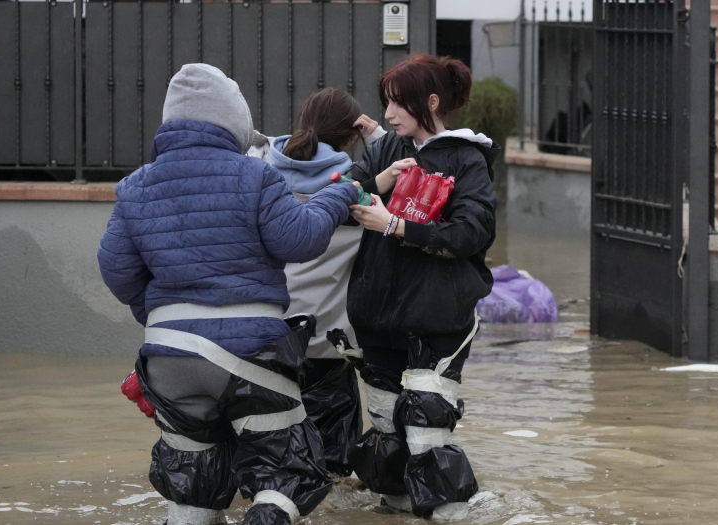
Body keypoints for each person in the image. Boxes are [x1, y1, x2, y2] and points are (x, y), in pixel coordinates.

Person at [97, 63, 358, 525]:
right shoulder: (254, 176)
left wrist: (161, 315)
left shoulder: (135, 185)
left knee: (192, 484)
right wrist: (336, 197)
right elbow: (298, 240)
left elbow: (116, 271)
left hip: (170, 358)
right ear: (235, 120)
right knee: (288, 473)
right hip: (249, 353)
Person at [343, 54, 501, 520]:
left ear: (430, 102)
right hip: (377, 314)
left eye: (397, 104)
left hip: (439, 314)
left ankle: (452, 511)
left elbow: (473, 233)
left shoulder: (467, 158)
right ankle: (395, 503)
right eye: (386, 103)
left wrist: (395, 225)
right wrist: (375, 182)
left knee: (426, 423)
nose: (388, 115)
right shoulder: (385, 151)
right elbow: (341, 198)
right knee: (387, 424)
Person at [247, 87, 385, 477]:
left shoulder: (258, 176)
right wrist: (377, 139)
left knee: (268, 466)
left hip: (264, 340)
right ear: (351, 135)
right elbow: (421, 172)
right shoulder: (357, 193)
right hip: (328, 348)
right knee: (333, 475)